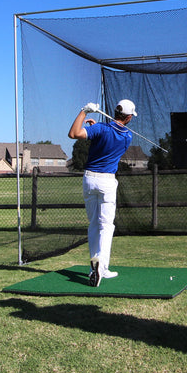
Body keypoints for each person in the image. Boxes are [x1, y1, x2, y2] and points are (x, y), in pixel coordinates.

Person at [68, 99, 137, 287]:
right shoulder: (127, 137)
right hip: (107, 181)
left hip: (90, 179)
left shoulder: (101, 129)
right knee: (106, 226)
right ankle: (102, 267)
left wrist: (84, 112)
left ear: (115, 112)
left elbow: (73, 133)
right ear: (129, 117)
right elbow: (104, 136)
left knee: (93, 224)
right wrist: (96, 128)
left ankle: (94, 268)